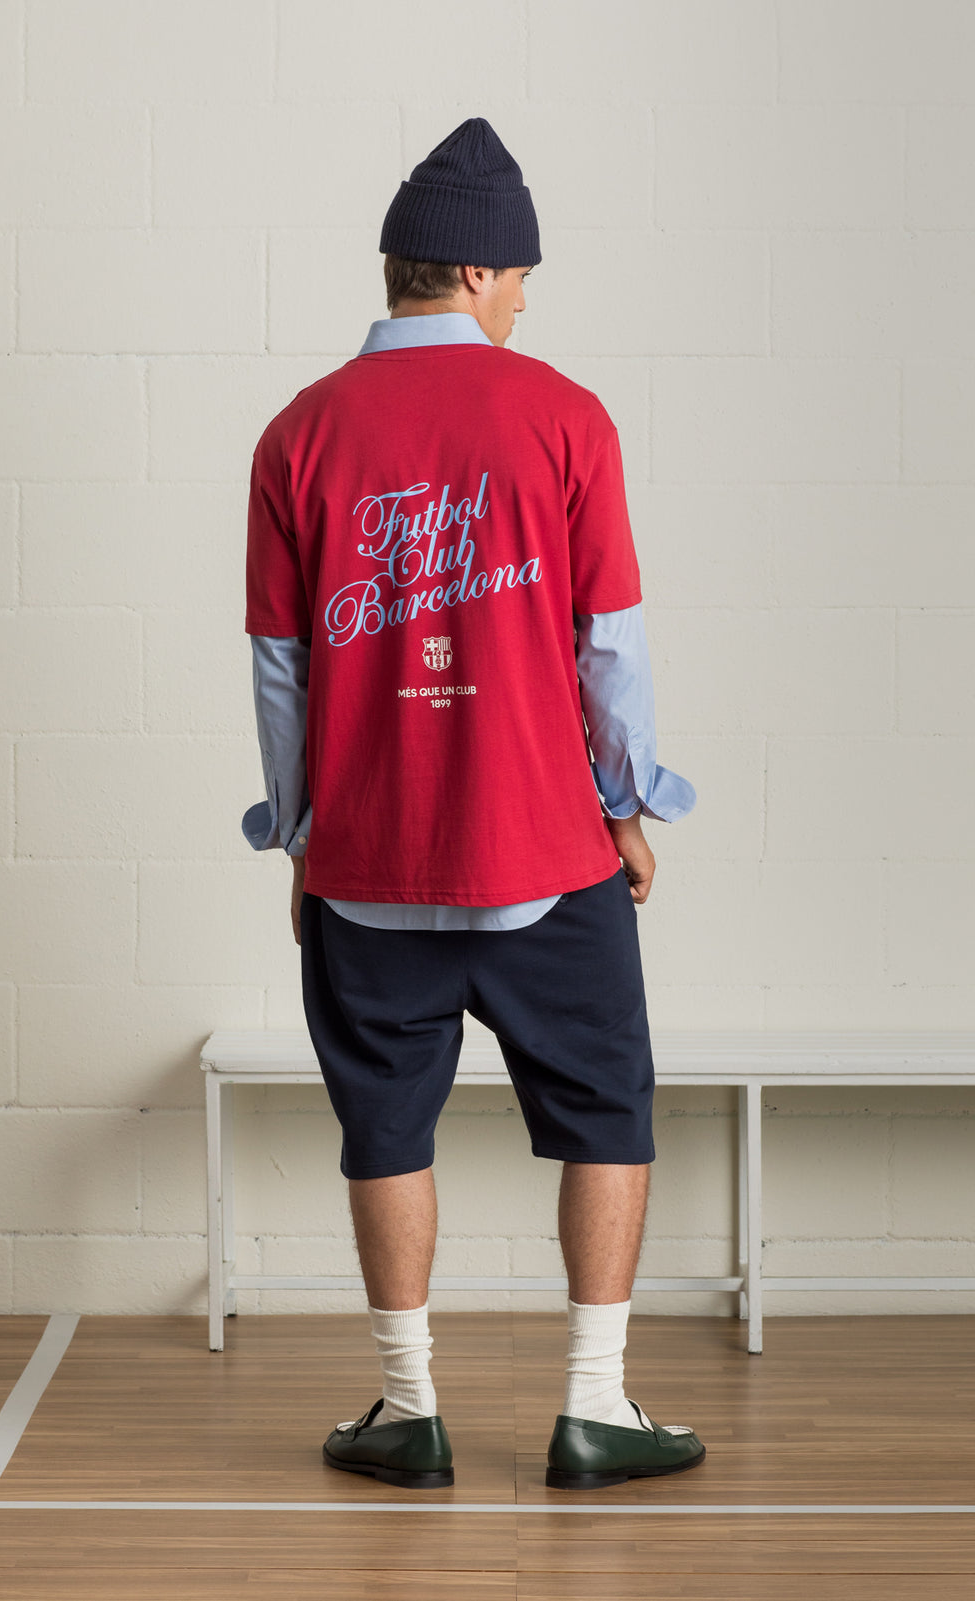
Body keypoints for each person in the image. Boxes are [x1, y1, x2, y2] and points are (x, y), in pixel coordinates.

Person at [242, 116, 707, 1492]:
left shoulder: (299, 431)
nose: (523, 305)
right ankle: (596, 1406)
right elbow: (607, 642)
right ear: (484, 274)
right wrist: (627, 802)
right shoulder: (564, 413)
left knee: (385, 1124)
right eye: (521, 283)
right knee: (608, 1106)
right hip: (548, 855)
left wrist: (302, 831)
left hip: (368, 860)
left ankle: (409, 1408)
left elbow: (282, 673)